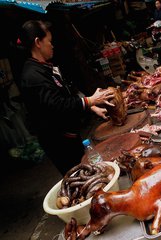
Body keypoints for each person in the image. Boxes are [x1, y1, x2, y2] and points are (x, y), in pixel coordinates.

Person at [19, 20, 115, 175]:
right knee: (78, 176)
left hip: (70, 135)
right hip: (59, 142)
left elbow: (67, 93)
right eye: (49, 41)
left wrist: (91, 107)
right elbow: (57, 105)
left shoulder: (44, 67)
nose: (52, 45)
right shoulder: (32, 76)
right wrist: (89, 100)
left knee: (86, 168)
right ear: (38, 42)